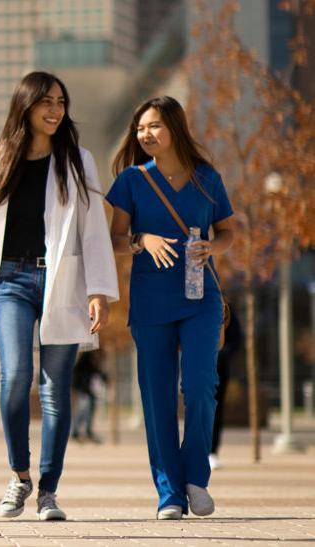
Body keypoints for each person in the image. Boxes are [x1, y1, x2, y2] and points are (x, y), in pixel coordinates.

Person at [0, 71, 118, 522]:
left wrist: (98, 291)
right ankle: (19, 476)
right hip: (8, 283)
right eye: (45, 102)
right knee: (15, 379)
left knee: (56, 390)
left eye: (60, 102)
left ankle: (48, 491)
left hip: (62, 281)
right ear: (25, 106)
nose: (54, 110)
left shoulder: (77, 161)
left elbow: (93, 230)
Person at [107, 96, 237, 520]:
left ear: (175, 129)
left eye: (155, 126)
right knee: (157, 397)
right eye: (141, 128)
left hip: (202, 298)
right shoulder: (130, 180)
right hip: (150, 301)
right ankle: (170, 493)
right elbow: (113, 241)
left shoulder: (207, 178)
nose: (145, 134)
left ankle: (195, 478)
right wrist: (143, 241)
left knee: (200, 386)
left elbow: (230, 231)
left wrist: (212, 246)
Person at [209, 304, 242, 470]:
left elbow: (236, 338)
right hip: (198, 365)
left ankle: (212, 451)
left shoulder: (226, 309)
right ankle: (197, 451)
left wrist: (222, 355)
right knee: (198, 407)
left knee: (216, 409)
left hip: (220, 367)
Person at [71, 350, 106, 444]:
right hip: (83, 392)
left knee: (89, 412)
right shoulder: (82, 367)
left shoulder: (91, 367)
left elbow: (100, 374)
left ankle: (87, 431)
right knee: (83, 411)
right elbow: (76, 380)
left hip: (89, 392)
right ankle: (75, 432)